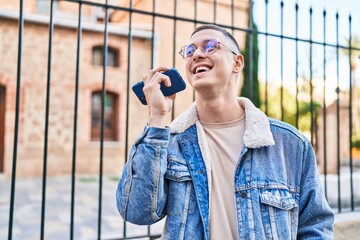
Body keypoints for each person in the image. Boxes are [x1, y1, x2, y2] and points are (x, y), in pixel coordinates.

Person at [116, 24, 334, 239]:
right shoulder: (171, 142)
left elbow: (315, 226)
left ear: (237, 62)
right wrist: (157, 117)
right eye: (190, 51)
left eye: (210, 46)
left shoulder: (289, 144)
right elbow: (136, 212)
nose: (197, 54)